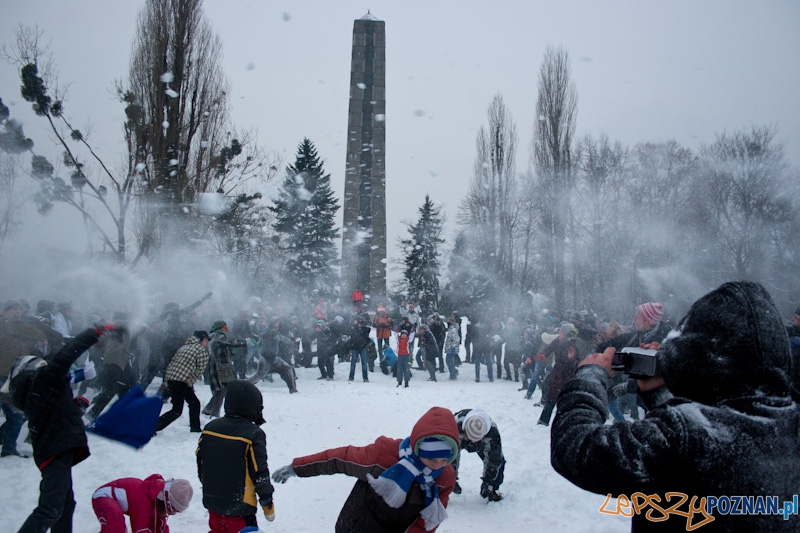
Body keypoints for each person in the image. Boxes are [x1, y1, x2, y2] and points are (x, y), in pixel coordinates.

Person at [551, 281, 800, 532]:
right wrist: (660, 392)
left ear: (702, 353)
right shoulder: (790, 426)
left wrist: (590, 376)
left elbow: (576, 447)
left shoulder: (686, 435)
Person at [271, 406, 460, 532]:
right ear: (418, 448)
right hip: (358, 526)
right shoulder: (383, 457)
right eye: (431, 458)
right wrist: (297, 468)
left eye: (444, 460)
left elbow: (428, 522)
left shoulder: (445, 478)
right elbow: (339, 458)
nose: (436, 465)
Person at [3, 326, 107, 532]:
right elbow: (65, 356)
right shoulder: (41, 379)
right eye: (42, 365)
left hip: (56, 449)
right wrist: (94, 333)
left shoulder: (37, 389)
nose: (46, 366)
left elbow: (55, 412)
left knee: (66, 506)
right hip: (56, 450)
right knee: (49, 509)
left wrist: (75, 406)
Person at [197, 380, 275, 532]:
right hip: (241, 506)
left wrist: (209, 486)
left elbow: (201, 461)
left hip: (213, 501)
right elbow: (259, 472)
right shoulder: (252, 434)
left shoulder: (210, 428)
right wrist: (267, 503)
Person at [91, 474, 193, 533]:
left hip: (118, 501)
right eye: (172, 510)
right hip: (103, 497)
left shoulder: (157, 503)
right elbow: (140, 529)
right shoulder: (143, 501)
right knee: (117, 524)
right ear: (167, 502)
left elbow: (159, 525)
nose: (171, 513)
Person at [154, 331, 210, 434]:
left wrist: (167, 381)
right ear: (203, 339)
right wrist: (191, 381)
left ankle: (195, 428)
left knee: (194, 403)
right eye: (207, 340)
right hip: (182, 381)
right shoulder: (200, 349)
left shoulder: (183, 347)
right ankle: (153, 426)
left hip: (172, 379)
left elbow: (171, 363)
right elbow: (200, 368)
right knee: (177, 410)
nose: (207, 343)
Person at [86, 313, 135, 421]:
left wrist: (104, 354)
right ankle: (92, 414)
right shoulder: (122, 326)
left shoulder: (111, 328)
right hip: (116, 362)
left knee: (122, 388)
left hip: (113, 362)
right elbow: (141, 330)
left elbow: (99, 342)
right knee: (111, 389)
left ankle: (123, 414)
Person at [452, 409, 505, 502]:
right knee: (449, 457)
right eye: (471, 438)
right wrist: (451, 478)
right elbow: (450, 456)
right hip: (461, 437)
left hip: (482, 443)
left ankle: (492, 490)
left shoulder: (492, 432)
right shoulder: (456, 425)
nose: (473, 441)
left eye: (476, 439)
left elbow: (494, 459)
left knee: (499, 462)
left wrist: (488, 481)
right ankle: (448, 484)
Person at [536, 323, 579, 427]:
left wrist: (566, 361)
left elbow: (572, 360)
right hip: (558, 372)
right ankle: (544, 420)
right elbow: (550, 347)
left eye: (560, 331)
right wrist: (543, 354)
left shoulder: (572, 344)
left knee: (564, 398)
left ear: (565, 332)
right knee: (552, 395)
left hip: (568, 374)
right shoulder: (559, 340)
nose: (558, 332)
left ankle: (565, 421)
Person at [203, 321, 248, 417]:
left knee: (223, 389)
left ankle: (208, 409)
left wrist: (232, 351)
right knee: (221, 389)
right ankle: (214, 414)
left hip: (223, 367)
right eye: (224, 326)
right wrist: (244, 342)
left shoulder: (219, 336)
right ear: (220, 327)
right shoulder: (216, 336)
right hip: (218, 368)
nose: (226, 328)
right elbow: (229, 342)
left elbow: (225, 351)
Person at [347, 315, 372, 383]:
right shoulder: (353, 329)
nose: (360, 325)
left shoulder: (364, 329)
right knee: (353, 363)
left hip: (362, 347)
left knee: (364, 363)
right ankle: (351, 377)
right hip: (355, 347)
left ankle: (365, 378)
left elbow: (368, 331)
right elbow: (348, 331)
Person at [786, 305, 800, 401]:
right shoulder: (789, 331)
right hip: (791, 385)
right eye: (794, 317)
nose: (793, 320)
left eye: (796, 318)